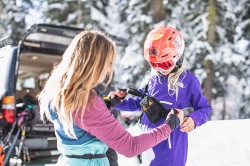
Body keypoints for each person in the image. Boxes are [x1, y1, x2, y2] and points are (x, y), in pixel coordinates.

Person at [37, 30, 184, 165]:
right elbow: (131, 147)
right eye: (108, 63)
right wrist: (169, 125)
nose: (108, 69)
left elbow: (81, 122)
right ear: (95, 64)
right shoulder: (87, 102)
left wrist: (107, 103)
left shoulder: (61, 93)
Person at [110, 26, 212, 166]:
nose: (159, 69)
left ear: (178, 55)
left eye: (164, 64)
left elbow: (205, 108)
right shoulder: (151, 78)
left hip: (171, 149)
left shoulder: (188, 80)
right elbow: (141, 101)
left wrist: (194, 119)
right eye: (154, 64)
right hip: (147, 144)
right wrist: (118, 102)